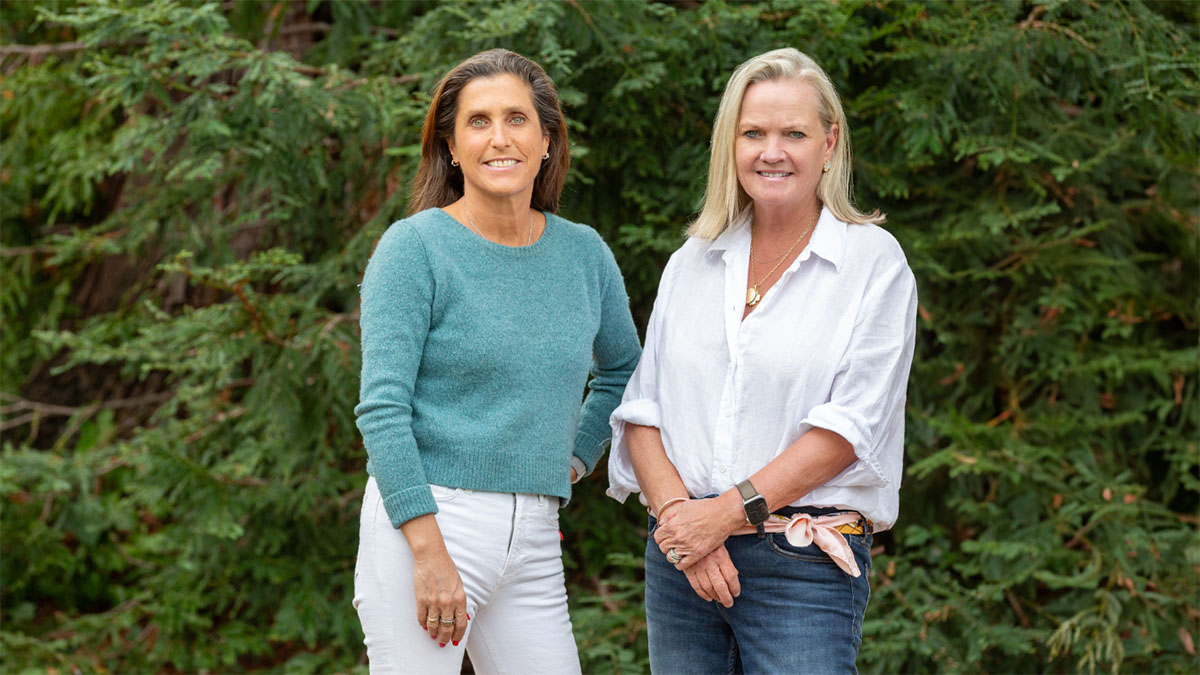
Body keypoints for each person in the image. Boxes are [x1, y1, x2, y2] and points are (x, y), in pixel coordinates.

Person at [607, 47, 917, 674]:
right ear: (732, 143)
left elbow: (847, 432)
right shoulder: (694, 259)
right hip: (682, 563)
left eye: (793, 134)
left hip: (801, 566)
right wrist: (680, 522)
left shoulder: (872, 263)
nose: (771, 152)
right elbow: (642, 411)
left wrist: (720, 518)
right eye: (754, 133)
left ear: (829, 143)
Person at [353, 48, 641, 675]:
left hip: (534, 535)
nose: (499, 138)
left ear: (545, 140)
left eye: (516, 119)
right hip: (426, 525)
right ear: (451, 148)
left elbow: (623, 370)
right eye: (477, 122)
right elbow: (382, 408)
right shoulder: (415, 250)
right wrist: (427, 550)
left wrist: (576, 456)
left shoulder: (583, 253)